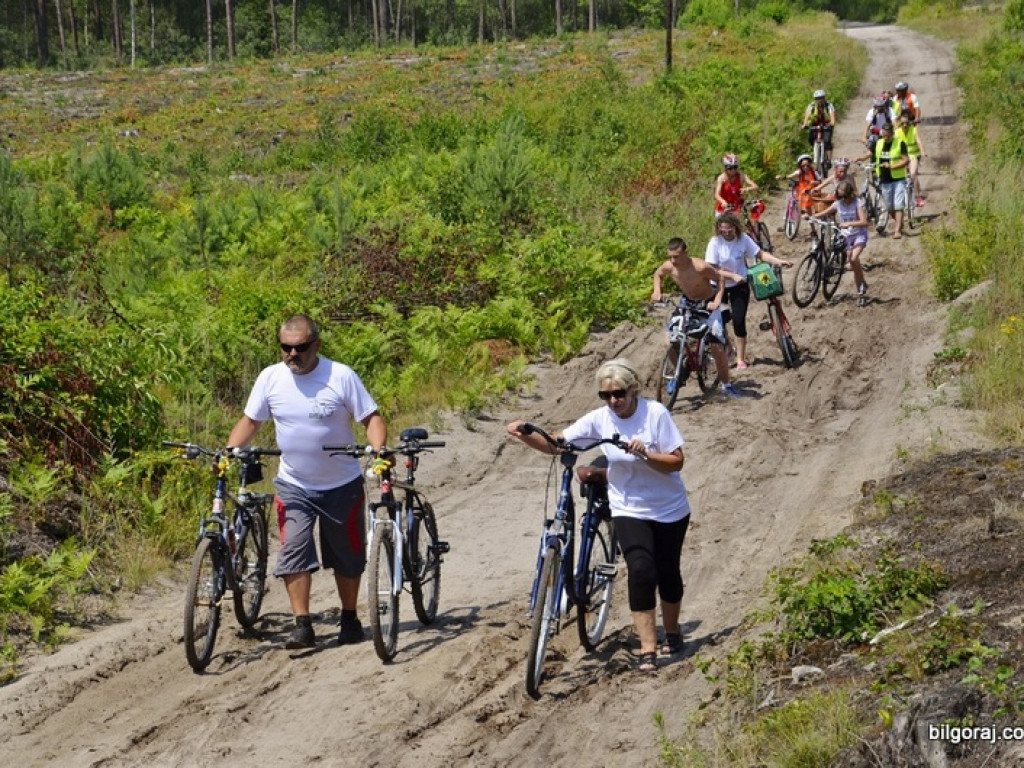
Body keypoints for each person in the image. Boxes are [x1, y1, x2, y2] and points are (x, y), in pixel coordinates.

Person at [507, 358, 691, 673]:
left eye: (618, 394)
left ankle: (672, 632)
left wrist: (645, 454)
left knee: (668, 573)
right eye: (606, 395)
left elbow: (676, 462)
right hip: (628, 507)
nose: (613, 401)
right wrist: (524, 434)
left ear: (633, 390)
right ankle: (648, 647)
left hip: (668, 507)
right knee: (641, 570)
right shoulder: (600, 419)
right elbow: (557, 444)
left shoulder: (655, 414)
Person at [226, 313, 387, 650]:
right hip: (294, 484)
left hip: (341, 484)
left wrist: (378, 451)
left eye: (300, 347)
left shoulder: (340, 376)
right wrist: (228, 451)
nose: (292, 354)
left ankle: (349, 618)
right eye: (285, 347)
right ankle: (302, 624)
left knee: (347, 556)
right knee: (294, 550)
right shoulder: (270, 378)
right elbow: (251, 421)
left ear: (317, 344)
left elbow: (371, 417)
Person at [651, 237, 744, 398]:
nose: (673, 261)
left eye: (676, 257)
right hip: (687, 303)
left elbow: (720, 279)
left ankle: (727, 384)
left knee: (716, 347)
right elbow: (658, 274)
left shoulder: (700, 267)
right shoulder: (669, 266)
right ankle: (680, 372)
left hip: (707, 303)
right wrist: (657, 291)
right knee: (668, 341)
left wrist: (716, 301)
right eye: (670, 257)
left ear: (685, 253)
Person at [704, 213, 792, 371]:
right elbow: (711, 269)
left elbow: (760, 254)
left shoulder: (743, 239)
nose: (726, 233)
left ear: (735, 227)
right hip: (718, 286)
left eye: (729, 229)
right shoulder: (715, 243)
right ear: (719, 229)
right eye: (723, 230)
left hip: (740, 285)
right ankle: (728, 347)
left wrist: (779, 261)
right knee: (720, 320)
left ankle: (740, 358)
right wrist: (731, 275)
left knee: (739, 320)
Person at [814, 179, 870, 305]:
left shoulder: (857, 203)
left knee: (854, 259)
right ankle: (862, 283)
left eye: (845, 197)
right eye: (840, 197)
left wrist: (849, 223)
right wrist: (812, 217)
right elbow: (824, 213)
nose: (843, 200)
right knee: (853, 261)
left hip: (859, 234)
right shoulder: (838, 204)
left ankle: (861, 290)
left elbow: (864, 221)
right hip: (847, 236)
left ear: (850, 195)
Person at [857, 122, 910, 239]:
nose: (886, 136)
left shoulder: (900, 143)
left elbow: (906, 160)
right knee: (889, 207)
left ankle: (897, 231)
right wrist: (860, 158)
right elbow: (870, 153)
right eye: (884, 134)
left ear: (892, 133)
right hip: (884, 179)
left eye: (888, 134)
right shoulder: (879, 142)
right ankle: (900, 223)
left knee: (898, 205)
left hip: (898, 179)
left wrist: (892, 166)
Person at [895, 110, 927, 207]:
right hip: (902, 156)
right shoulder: (897, 132)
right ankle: (904, 196)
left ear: (909, 122)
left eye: (906, 123)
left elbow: (918, 141)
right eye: (902, 123)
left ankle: (918, 197)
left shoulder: (913, 129)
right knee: (904, 176)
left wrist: (923, 152)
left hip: (913, 155)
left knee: (913, 174)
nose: (905, 125)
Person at [801, 89, 837, 166]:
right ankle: (816, 151)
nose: (819, 100)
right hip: (815, 125)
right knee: (810, 140)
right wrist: (805, 124)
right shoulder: (811, 106)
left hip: (826, 125)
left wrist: (832, 123)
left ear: (824, 98)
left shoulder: (829, 105)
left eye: (821, 98)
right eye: (817, 98)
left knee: (827, 141)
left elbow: (832, 116)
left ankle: (829, 160)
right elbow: (807, 116)